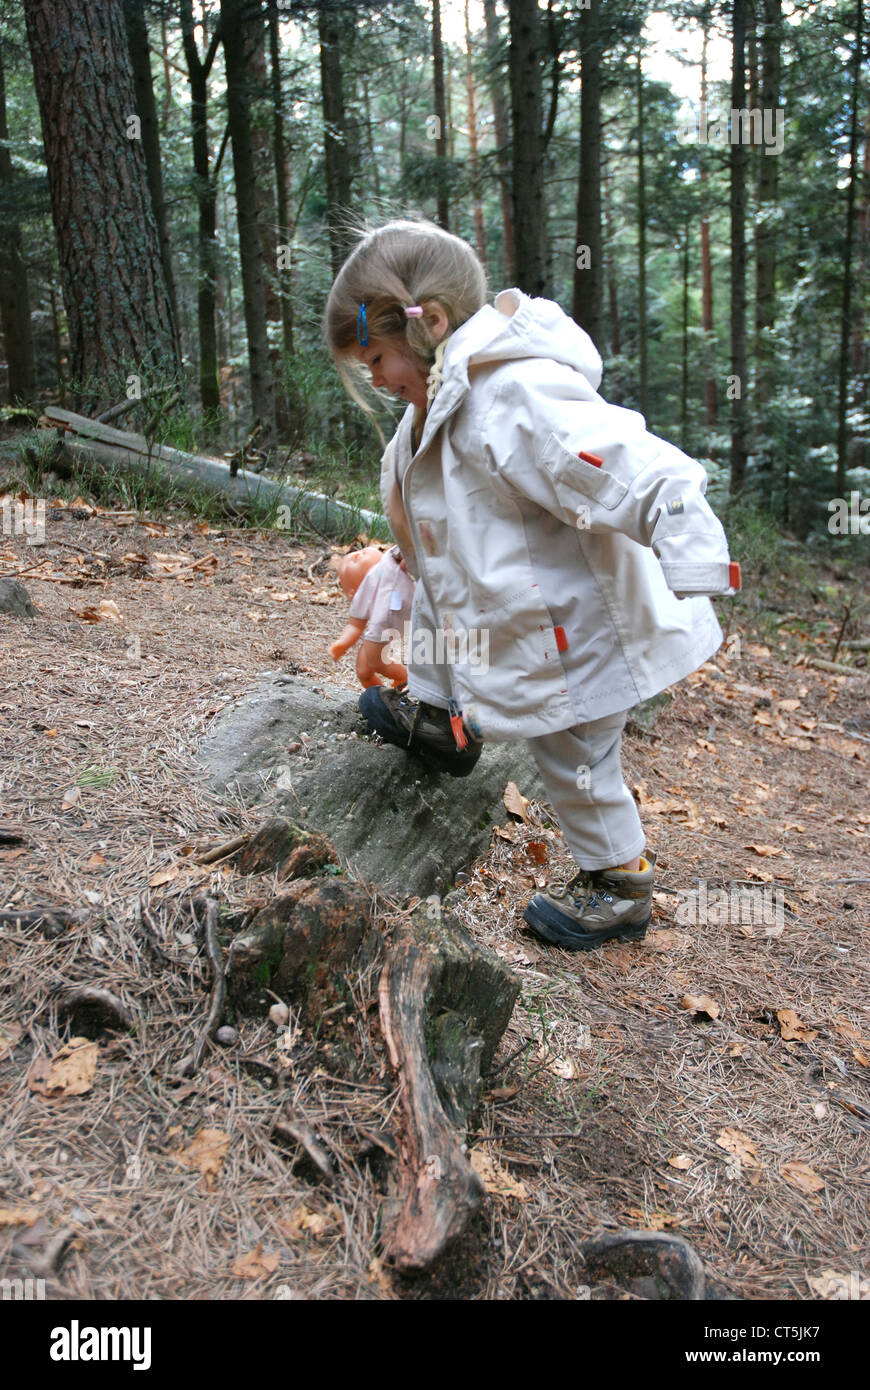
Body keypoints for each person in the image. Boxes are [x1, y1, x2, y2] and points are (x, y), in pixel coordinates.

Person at [322, 219, 740, 952]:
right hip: (499, 612)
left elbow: (628, 464)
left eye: (380, 357)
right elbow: (424, 525)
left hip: (579, 629)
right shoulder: (427, 416)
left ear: (432, 326)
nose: (381, 380)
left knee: (573, 755)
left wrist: (690, 546)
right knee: (444, 620)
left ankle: (620, 884)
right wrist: (396, 578)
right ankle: (440, 724)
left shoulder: (517, 393)